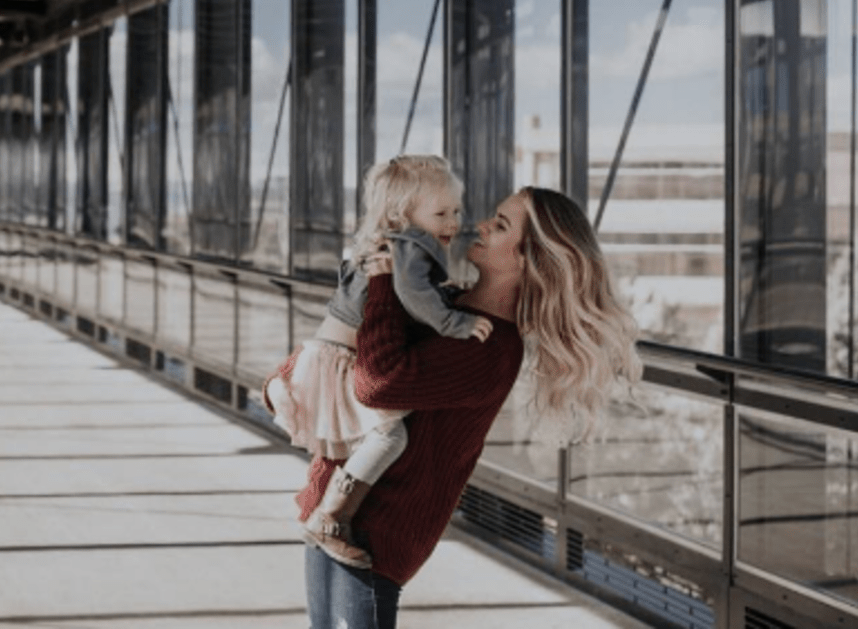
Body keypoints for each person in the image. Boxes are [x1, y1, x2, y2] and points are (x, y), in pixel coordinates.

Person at [294, 186, 643, 629]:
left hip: (375, 536)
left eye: (499, 226)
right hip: (335, 515)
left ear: (525, 260)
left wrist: (384, 279)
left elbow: (377, 385)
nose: (479, 225)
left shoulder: (489, 348)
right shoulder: (450, 306)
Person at [264, 155, 493, 569]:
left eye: (456, 211)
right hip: (341, 360)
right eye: (440, 213)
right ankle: (332, 516)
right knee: (390, 436)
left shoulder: (382, 243)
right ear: (401, 214)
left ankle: (320, 505)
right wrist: (454, 320)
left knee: (350, 442)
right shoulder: (409, 245)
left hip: (325, 353)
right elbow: (413, 298)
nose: (452, 222)